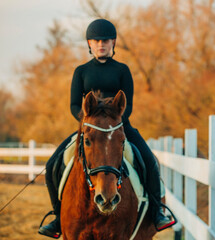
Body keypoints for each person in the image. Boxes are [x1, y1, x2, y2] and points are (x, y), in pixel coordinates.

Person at [39, 19, 175, 238]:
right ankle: (57, 217)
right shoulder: (81, 71)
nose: (101, 44)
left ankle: (156, 212)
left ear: (113, 43)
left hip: (119, 128)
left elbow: (127, 104)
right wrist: (88, 121)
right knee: (52, 164)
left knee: (149, 161)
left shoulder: (122, 70)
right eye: (96, 40)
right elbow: (75, 104)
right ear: (89, 44)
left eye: (105, 40)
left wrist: (114, 122)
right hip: (90, 129)